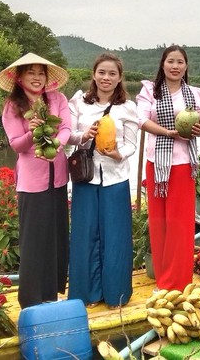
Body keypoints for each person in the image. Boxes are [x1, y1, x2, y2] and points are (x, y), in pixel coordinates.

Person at [0, 52, 71, 309]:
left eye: (41, 73)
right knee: (33, 239)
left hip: (58, 178)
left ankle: (51, 294)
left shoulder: (57, 99)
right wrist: (31, 132)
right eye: (31, 73)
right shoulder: (13, 106)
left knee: (56, 236)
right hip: (31, 182)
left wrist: (56, 145)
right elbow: (17, 145)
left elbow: (66, 129)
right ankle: (30, 299)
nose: (37, 78)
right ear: (20, 77)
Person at [67, 53, 138, 308]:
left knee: (116, 236)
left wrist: (119, 154)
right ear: (93, 74)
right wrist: (85, 135)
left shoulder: (127, 108)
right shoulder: (78, 102)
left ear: (119, 78)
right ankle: (87, 294)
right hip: (85, 177)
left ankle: (115, 294)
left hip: (115, 178)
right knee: (84, 235)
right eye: (102, 72)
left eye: (112, 74)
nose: (106, 78)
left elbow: (131, 144)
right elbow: (68, 135)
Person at [136, 45, 200, 291]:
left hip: (184, 164)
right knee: (159, 222)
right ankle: (163, 280)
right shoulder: (150, 91)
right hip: (157, 164)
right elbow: (141, 120)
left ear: (186, 66)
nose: (175, 66)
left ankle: (177, 282)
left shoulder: (195, 94)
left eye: (180, 62)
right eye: (171, 61)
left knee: (181, 223)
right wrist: (167, 132)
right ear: (162, 64)